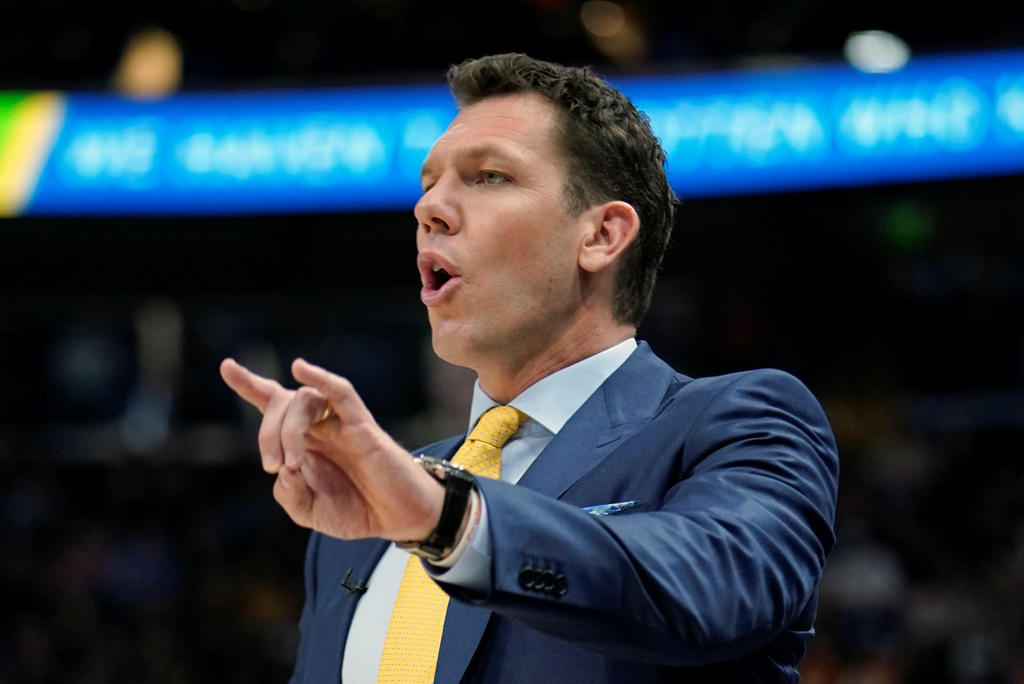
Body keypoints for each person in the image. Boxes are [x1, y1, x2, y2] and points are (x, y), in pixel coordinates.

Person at [220, 53, 839, 684]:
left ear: (601, 235)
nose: (429, 208)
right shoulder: (368, 510)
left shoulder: (740, 421)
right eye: (428, 183)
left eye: (489, 176)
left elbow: (712, 587)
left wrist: (444, 518)